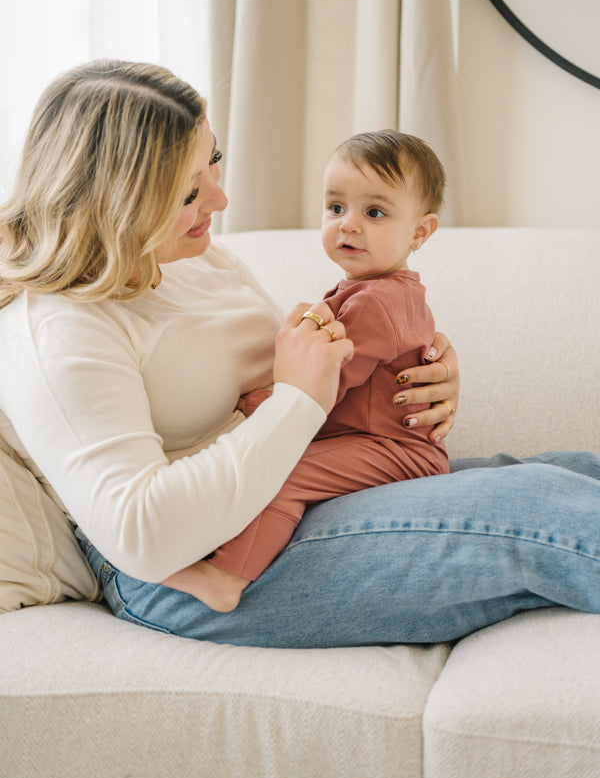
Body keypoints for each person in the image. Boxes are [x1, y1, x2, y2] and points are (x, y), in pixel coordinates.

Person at [1, 59, 600, 650]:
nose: (222, 197)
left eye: (212, 158)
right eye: (187, 190)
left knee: (574, 471)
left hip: (292, 489)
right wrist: (299, 397)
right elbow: (143, 535)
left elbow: (310, 362)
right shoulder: (59, 329)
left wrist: (415, 375)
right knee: (539, 507)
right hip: (196, 562)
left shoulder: (191, 256)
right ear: (118, 201)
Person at [164, 130, 450, 612]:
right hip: (376, 442)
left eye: (374, 212)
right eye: (336, 207)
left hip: (397, 452)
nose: (348, 225)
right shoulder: (371, 290)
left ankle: (227, 577)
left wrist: (254, 400)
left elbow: (323, 388)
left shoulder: (378, 301)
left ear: (420, 233)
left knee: (283, 471)